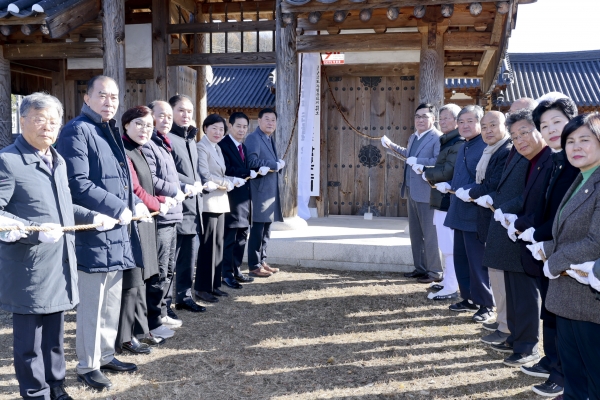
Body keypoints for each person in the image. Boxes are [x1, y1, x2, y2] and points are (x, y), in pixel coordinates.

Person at [0, 93, 116, 400]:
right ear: (22, 120)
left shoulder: (58, 160)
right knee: (29, 342)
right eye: (39, 119)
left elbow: (65, 209)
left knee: (55, 336)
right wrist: (30, 232)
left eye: (53, 121)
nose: (46, 126)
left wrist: (94, 216)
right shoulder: (9, 161)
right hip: (29, 268)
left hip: (60, 263)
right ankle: (35, 392)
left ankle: (56, 387)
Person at [56, 76, 140, 390]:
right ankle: (88, 365)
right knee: (93, 304)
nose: (109, 101)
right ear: (87, 98)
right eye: (102, 95)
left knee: (111, 300)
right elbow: (78, 183)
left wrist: (130, 206)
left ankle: (105, 354)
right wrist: (118, 207)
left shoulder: (108, 130)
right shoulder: (77, 130)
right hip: (94, 229)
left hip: (117, 229)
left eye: (114, 96)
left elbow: (118, 180)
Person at [530, 113, 600, 400]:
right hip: (569, 298)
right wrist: (546, 248)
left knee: (593, 375)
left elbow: (595, 242)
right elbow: (567, 232)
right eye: (571, 141)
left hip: (588, 301)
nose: (576, 147)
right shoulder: (582, 177)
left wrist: (554, 261)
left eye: (585, 139)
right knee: (574, 372)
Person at [517, 96, 578, 397]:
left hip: (565, 254)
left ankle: (562, 375)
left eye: (557, 122)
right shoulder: (555, 160)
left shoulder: (577, 162)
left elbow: (564, 215)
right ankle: (553, 363)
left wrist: (538, 234)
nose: (552, 129)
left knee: (562, 317)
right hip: (545, 250)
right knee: (550, 311)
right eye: (545, 125)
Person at [485, 109, 549, 368]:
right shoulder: (525, 155)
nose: (520, 139)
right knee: (513, 291)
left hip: (524, 230)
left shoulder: (546, 159)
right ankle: (516, 338)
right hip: (511, 228)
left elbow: (530, 196)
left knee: (524, 294)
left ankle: (526, 346)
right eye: (515, 136)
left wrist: (508, 209)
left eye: (525, 132)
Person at [144, 101, 203, 331]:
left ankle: (175, 300)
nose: (169, 119)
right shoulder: (156, 142)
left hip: (182, 208)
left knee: (176, 263)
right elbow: (157, 176)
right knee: (163, 266)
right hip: (165, 210)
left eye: (189, 111)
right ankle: (161, 308)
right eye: (167, 114)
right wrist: (185, 186)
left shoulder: (176, 140)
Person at [436, 105, 494, 323]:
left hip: (475, 214)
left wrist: (466, 191)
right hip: (458, 210)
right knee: (461, 259)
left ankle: (486, 304)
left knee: (478, 262)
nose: (465, 126)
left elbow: (485, 182)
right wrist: (448, 184)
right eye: (461, 122)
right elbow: (460, 178)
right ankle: (468, 297)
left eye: (470, 121)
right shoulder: (464, 146)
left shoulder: (485, 146)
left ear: (479, 123)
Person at [462, 111, 512, 345]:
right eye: (484, 126)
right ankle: (502, 321)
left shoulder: (506, 150)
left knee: (501, 278)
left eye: (493, 125)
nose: (488, 130)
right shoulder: (489, 151)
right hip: (489, 221)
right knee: (495, 274)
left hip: (502, 223)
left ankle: (506, 325)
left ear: (505, 126)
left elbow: (494, 185)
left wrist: (471, 192)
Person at [119, 106, 166, 354]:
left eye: (149, 125)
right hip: (133, 222)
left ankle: (140, 330)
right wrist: (158, 203)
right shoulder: (124, 150)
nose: (145, 129)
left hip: (146, 220)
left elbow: (146, 184)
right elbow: (135, 190)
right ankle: (126, 336)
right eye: (139, 124)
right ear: (126, 124)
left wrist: (158, 199)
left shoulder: (140, 149)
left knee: (145, 279)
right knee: (133, 281)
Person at [381, 103, 442, 282]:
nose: (420, 120)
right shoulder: (413, 137)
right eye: (417, 116)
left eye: (424, 116)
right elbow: (408, 155)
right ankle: (420, 268)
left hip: (427, 192)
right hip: (411, 191)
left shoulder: (437, 138)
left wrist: (419, 160)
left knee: (430, 234)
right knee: (416, 234)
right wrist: (391, 145)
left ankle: (435, 272)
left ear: (433, 119)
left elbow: (438, 161)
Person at [195, 114, 242, 302]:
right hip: (208, 202)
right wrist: (226, 182)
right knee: (207, 247)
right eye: (214, 128)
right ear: (205, 128)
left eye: (221, 129)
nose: (218, 132)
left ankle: (214, 285)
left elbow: (221, 172)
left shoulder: (217, 148)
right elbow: (205, 175)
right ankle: (202, 287)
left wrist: (231, 180)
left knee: (218, 246)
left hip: (221, 201)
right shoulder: (201, 147)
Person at [167, 95, 206, 311]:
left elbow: (194, 172)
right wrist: (188, 184)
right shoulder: (167, 139)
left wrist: (200, 182)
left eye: (189, 111)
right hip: (176, 208)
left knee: (189, 258)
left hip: (194, 207)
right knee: (171, 260)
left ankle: (184, 296)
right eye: (181, 110)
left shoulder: (190, 138)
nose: (186, 115)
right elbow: (168, 173)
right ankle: (166, 303)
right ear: (171, 111)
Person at [421, 103, 464, 297]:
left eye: (448, 118)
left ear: (457, 121)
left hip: (448, 200)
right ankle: (448, 279)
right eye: (442, 117)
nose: (444, 121)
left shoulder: (457, 142)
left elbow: (448, 170)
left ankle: (451, 286)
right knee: (445, 244)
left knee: (450, 247)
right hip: (441, 199)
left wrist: (425, 171)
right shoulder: (447, 141)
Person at [218, 112, 258, 289]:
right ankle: (226, 274)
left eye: (245, 127)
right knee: (230, 238)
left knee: (242, 236)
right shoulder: (223, 145)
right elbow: (225, 168)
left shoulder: (243, 147)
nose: (242, 130)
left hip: (244, 199)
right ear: (230, 126)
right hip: (231, 199)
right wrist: (246, 173)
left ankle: (236, 270)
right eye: (239, 126)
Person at [245, 108, 285, 277]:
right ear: (259, 121)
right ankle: (254, 265)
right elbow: (252, 161)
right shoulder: (254, 138)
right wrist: (275, 165)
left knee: (267, 230)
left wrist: (276, 165)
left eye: (273, 120)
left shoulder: (269, 139)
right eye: (267, 119)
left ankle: (262, 260)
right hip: (259, 190)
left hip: (269, 191)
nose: (270, 123)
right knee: (257, 230)